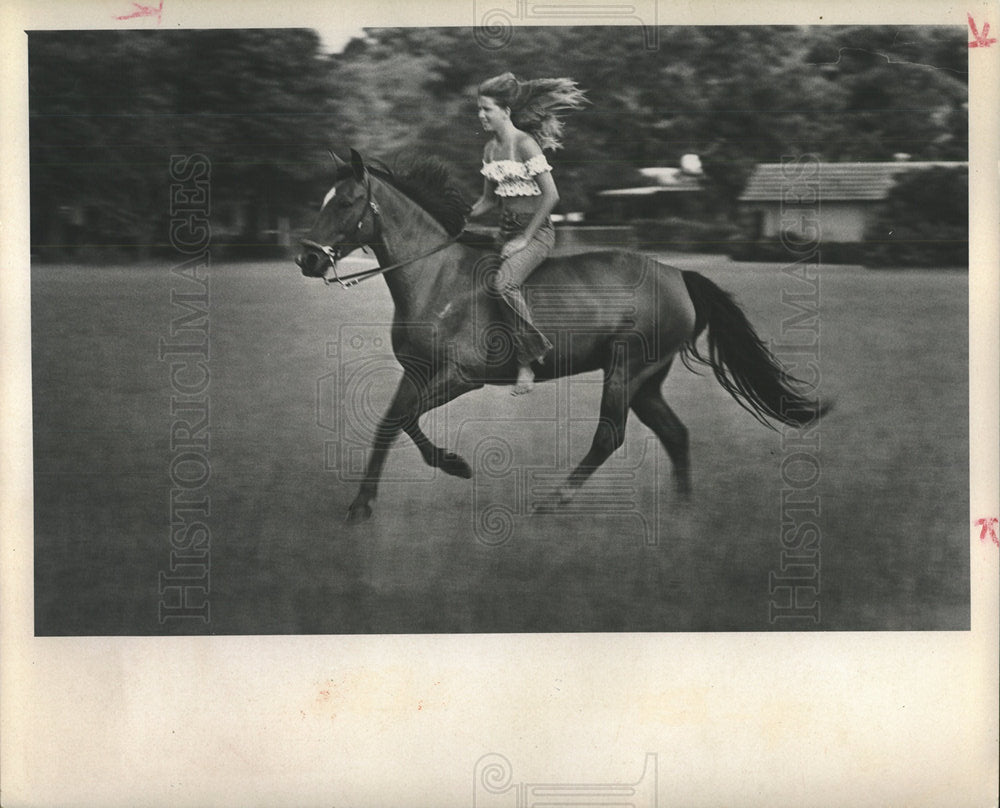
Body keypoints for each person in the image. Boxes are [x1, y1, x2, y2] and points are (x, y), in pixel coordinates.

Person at [468, 72, 587, 395]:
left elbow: (551, 196)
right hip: (504, 231)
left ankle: (528, 362)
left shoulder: (525, 144)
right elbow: (488, 200)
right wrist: (459, 216)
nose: (481, 115)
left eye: (487, 109)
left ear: (505, 110)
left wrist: (524, 239)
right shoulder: (490, 149)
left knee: (503, 284)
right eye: (479, 109)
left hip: (536, 233)